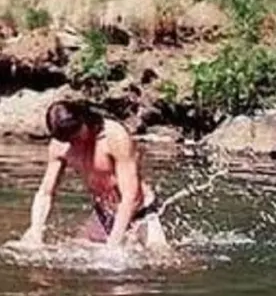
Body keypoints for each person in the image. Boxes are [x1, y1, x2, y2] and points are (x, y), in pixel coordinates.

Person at [19, 100, 169, 250]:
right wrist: (35, 232)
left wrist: (113, 245)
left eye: (76, 135)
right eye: (67, 140)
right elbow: (45, 193)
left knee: (159, 259)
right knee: (72, 251)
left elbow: (131, 196)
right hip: (105, 214)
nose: (73, 143)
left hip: (140, 213)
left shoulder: (114, 136)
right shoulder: (60, 145)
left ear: (84, 120)